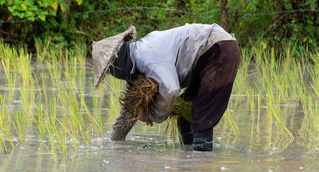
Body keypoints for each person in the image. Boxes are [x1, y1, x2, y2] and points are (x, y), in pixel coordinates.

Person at [92, 23, 241, 151]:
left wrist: (151, 115)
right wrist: (115, 141)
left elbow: (171, 90)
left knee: (202, 115)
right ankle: (189, 163)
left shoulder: (147, 57)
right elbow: (131, 108)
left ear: (120, 66)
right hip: (206, 57)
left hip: (218, 50)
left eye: (112, 72)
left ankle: (201, 169)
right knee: (185, 118)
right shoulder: (139, 59)